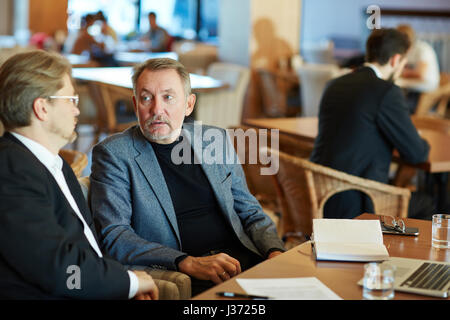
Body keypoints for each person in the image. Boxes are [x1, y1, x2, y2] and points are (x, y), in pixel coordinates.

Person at [89, 58, 285, 296]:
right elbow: (114, 235)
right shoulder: (115, 154)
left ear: (189, 104)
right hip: (191, 274)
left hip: (244, 261)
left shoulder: (215, 140)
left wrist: (274, 252)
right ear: (135, 103)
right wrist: (185, 261)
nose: (156, 110)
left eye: (168, 97)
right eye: (146, 97)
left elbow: (250, 211)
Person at [0, 50, 158, 300]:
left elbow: (87, 248)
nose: (77, 111)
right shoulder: (11, 168)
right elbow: (58, 268)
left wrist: (119, 287)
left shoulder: (55, 164)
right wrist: (128, 282)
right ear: (42, 108)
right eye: (70, 100)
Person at [310, 28, 430, 220]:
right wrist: (422, 139)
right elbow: (417, 153)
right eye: (403, 64)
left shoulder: (333, 84)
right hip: (360, 204)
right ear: (395, 60)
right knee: (431, 203)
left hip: (319, 196)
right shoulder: (386, 92)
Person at [396, 24, 440, 113]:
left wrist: (401, 73)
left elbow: (420, 74)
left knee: (397, 83)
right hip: (414, 84)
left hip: (425, 85)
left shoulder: (422, 49)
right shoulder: (408, 49)